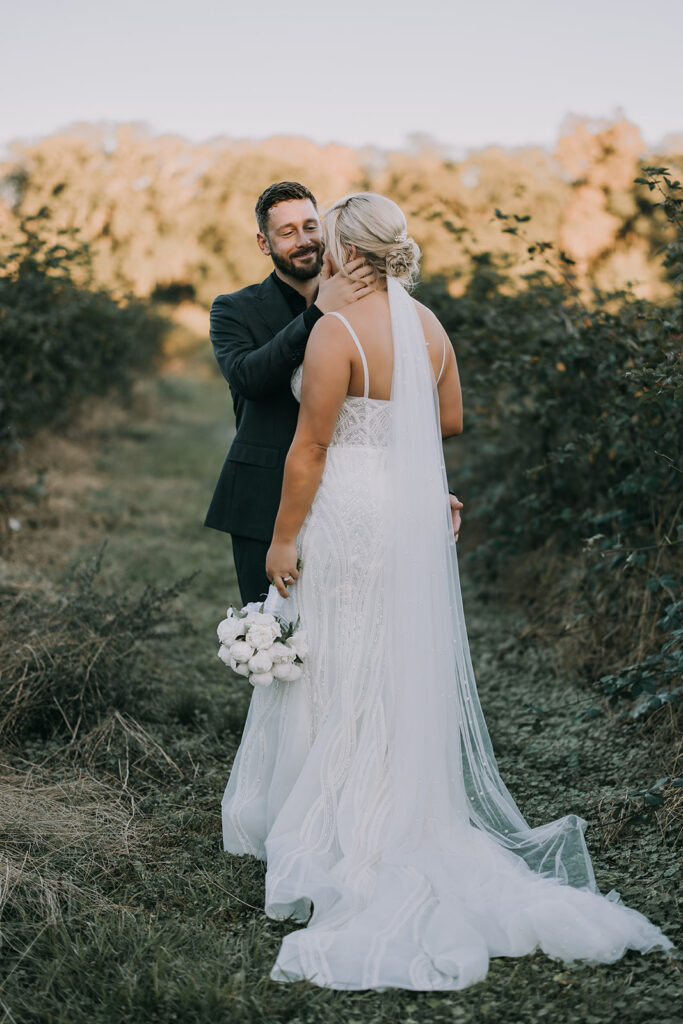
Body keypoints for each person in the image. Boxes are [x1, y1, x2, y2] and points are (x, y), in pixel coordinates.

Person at [220, 193, 674, 991]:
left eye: (326, 236)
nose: (316, 244)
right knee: (388, 658)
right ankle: (399, 804)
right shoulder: (426, 326)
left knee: (336, 658)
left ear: (345, 253)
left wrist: (284, 537)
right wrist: (413, 477)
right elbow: (449, 420)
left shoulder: (334, 330)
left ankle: (337, 826)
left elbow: (310, 447)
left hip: (345, 512)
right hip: (402, 514)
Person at [204, 180, 464, 604]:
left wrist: (423, 484)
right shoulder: (235, 308)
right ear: (263, 243)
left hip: (356, 502)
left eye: (311, 226)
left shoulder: (380, 315)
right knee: (272, 641)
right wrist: (318, 312)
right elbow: (247, 379)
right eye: (287, 232)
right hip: (265, 501)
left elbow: (413, 416)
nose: (305, 240)